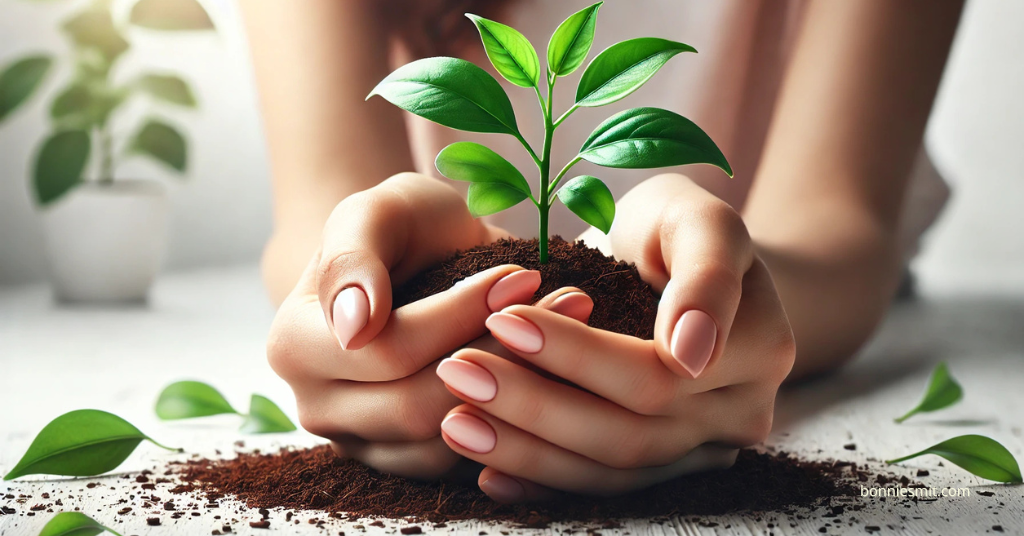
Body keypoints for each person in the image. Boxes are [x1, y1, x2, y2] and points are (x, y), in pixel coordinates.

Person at [240, 0, 963, 503]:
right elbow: (322, 218)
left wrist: (707, 302)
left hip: (749, 295)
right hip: (474, 272)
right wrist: (363, 292)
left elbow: (839, 228)